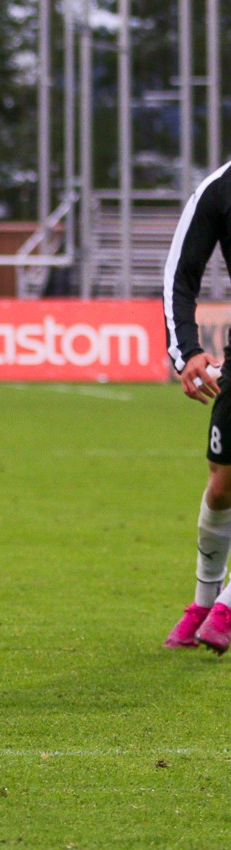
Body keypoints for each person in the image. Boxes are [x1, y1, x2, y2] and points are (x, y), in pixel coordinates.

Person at [158, 158, 231, 652]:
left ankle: (226, 608)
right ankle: (205, 601)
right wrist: (186, 351)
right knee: (222, 487)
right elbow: (179, 275)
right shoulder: (219, 189)